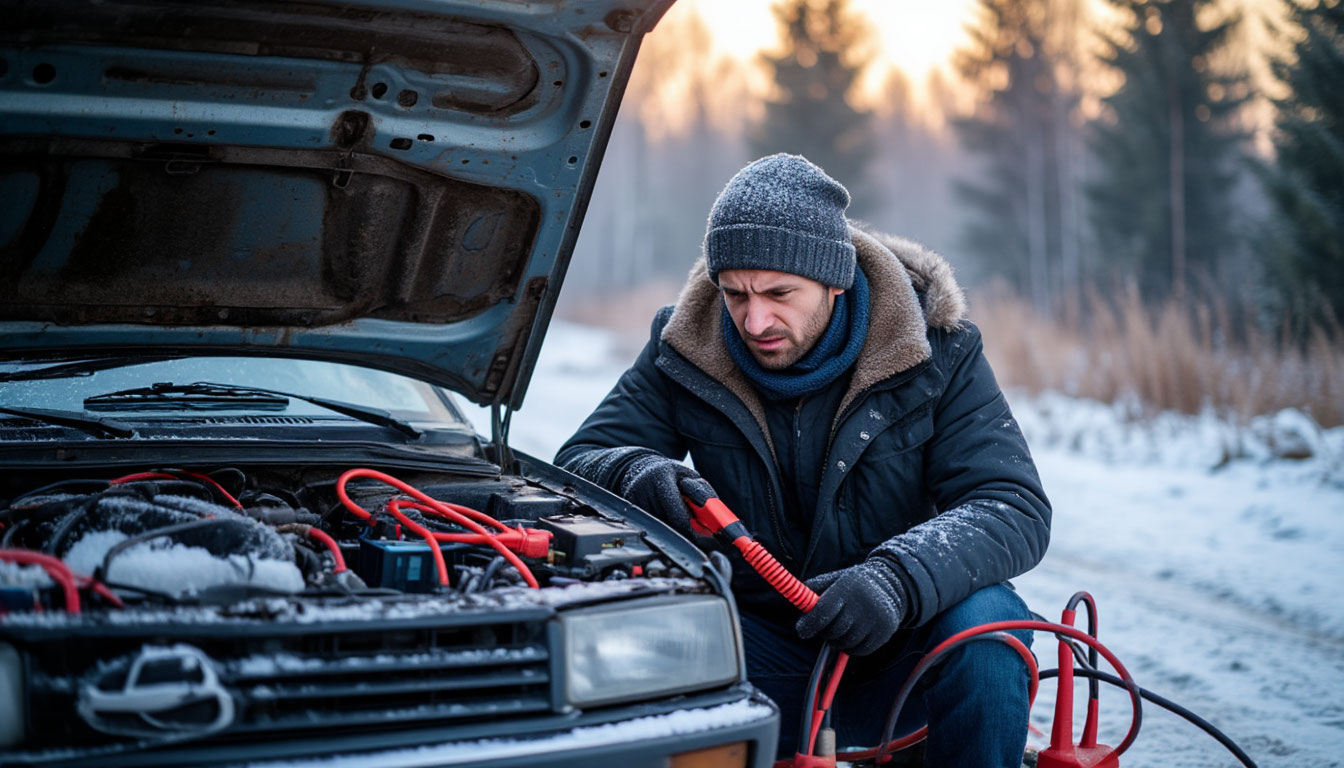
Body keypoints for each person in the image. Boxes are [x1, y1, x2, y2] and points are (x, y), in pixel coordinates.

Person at [556, 154, 1051, 767]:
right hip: (761, 650)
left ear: (835, 280)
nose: (754, 319)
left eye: (779, 293)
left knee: (990, 622)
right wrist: (634, 471)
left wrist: (897, 580)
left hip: (902, 649)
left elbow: (1012, 506)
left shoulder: (938, 350)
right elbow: (579, 462)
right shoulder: (685, 346)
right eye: (735, 293)